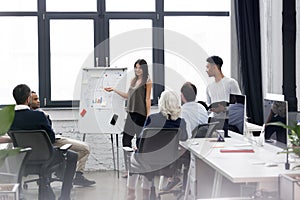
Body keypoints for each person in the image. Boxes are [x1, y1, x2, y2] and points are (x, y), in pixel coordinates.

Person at [9, 84, 77, 200]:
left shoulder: (9, 117)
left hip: (23, 159)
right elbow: (51, 138)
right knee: (73, 156)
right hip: (46, 158)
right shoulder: (39, 115)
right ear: (28, 99)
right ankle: (65, 196)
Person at [126, 90, 188, 200]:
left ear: (161, 103)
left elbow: (140, 140)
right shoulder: (181, 122)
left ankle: (131, 193)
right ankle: (146, 195)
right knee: (145, 161)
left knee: (136, 160)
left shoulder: (152, 119)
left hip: (147, 160)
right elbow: (184, 138)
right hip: (169, 162)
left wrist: (137, 147)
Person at [30, 91, 96, 186]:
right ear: (28, 100)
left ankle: (63, 169)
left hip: (38, 149)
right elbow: (50, 136)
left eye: (38, 98)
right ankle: (73, 172)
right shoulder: (41, 115)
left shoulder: (21, 117)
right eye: (35, 99)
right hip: (50, 143)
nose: (39, 101)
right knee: (85, 148)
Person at [104, 59, 152, 177]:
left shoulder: (147, 82)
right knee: (126, 141)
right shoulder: (133, 80)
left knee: (140, 143)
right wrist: (114, 89)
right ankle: (129, 169)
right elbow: (128, 96)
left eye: (140, 68)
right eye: (136, 67)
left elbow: (147, 99)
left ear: (144, 69)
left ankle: (140, 169)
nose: (137, 70)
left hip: (141, 115)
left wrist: (148, 115)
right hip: (130, 114)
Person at [161, 82, 208, 192]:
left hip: (188, 148)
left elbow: (185, 137)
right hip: (202, 148)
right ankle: (178, 180)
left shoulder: (181, 111)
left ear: (182, 95)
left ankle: (173, 177)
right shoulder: (202, 108)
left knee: (169, 146)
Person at [205, 56, 241, 137]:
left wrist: (224, 109)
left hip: (228, 123)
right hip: (214, 122)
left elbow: (239, 106)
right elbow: (209, 105)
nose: (206, 70)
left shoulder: (231, 83)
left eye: (208, 67)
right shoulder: (209, 87)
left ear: (215, 67)